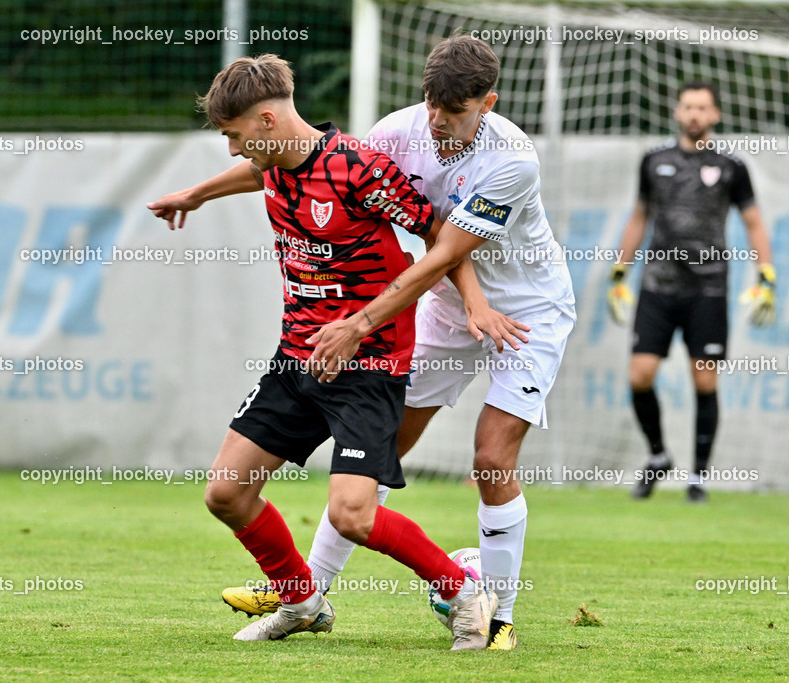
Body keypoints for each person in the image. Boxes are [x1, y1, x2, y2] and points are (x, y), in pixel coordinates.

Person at [165, 36, 576, 651]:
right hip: (429, 302)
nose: (437, 121)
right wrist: (197, 192)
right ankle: (307, 592)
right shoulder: (391, 133)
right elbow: (295, 160)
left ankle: (495, 610)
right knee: (380, 459)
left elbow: (446, 242)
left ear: (487, 103)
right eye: (430, 104)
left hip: (521, 310)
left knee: (491, 457)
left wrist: (373, 322)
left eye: (454, 111)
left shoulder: (513, 159)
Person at [607, 80, 775, 503]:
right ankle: (658, 455)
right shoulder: (653, 160)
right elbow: (639, 215)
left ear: (715, 114)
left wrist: (766, 274)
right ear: (677, 112)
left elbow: (753, 222)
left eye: (702, 108)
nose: (694, 114)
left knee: (704, 381)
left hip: (709, 289)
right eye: (688, 107)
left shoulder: (732, 166)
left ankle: (698, 477)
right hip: (657, 285)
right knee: (639, 375)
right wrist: (619, 272)